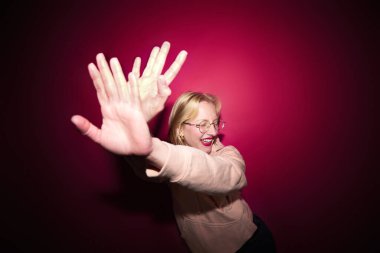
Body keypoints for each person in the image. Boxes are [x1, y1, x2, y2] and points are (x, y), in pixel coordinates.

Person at [71, 41, 276, 253]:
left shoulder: (228, 155)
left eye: (215, 123)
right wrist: (139, 139)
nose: (213, 131)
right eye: (202, 124)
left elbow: (220, 175)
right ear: (180, 130)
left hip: (251, 245)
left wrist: (152, 148)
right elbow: (149, 170)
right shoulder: (171, 159)